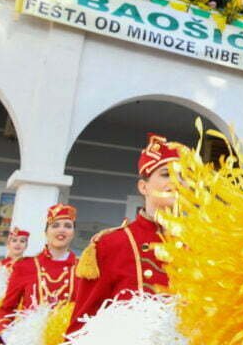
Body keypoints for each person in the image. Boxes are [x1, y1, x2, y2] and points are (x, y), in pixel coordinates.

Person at [67, 133, 181, 335]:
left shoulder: (199, 247)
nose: (177, 182)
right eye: (166, 174)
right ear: (143, 187)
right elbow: (81, 326)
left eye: (183, 176)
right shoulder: (111, 244)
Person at [0, 204, 78, 337]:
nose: (61, 230)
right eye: (55, 225)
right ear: (46, 232)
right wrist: (7, 336)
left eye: (68, 226)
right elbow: (6, 310)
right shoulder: (26, 266)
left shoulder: (84, 269)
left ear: (73, 233)